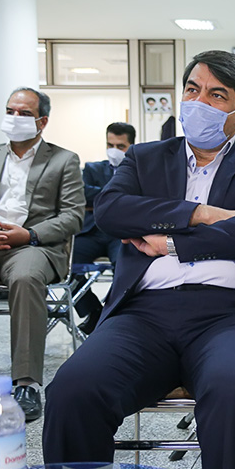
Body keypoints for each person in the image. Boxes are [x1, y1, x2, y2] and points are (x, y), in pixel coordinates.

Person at [42, 50, 235, 469]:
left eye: (216, 95)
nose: (198, 102)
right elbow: (112, 211)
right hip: (144, 315)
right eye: (192, 89)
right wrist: (199, 213)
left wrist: (173, 242)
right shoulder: (146, 158)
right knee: (72, 390)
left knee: (233, 390)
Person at [0, 87, 84, 422]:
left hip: (32, 245)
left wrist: (29, 234)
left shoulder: (63, 160)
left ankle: (25, 384)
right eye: (11, 111)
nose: (15, 118)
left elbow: (73, 216)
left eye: (24, 113)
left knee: (25, 278)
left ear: (42, 121)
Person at [73, 122, 136, 335]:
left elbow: (139, 200)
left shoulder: (139, 170)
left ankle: (113, 314)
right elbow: (83, 194)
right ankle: (94, 312)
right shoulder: (92, 168)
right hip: (91, 231)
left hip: (120, 234)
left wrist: (102, 197)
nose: (114, 150)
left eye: (120, 146)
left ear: (131, 146)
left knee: (127, 268)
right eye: (110, 145)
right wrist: (119, 196)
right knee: (64, 264)